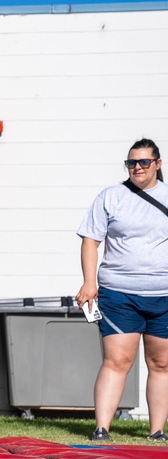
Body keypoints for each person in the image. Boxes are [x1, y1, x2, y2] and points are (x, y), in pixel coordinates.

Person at [76, 138, 168, 442]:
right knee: (117, 360)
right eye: (131, 163)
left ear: (158, 164)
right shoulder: (111, 197)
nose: (137, 168)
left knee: (162, 363)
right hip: (119, 294)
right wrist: (90, 283)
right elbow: (90, 240)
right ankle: (102, 428)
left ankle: (157, 431)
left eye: (143, 162)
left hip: (163, 296)